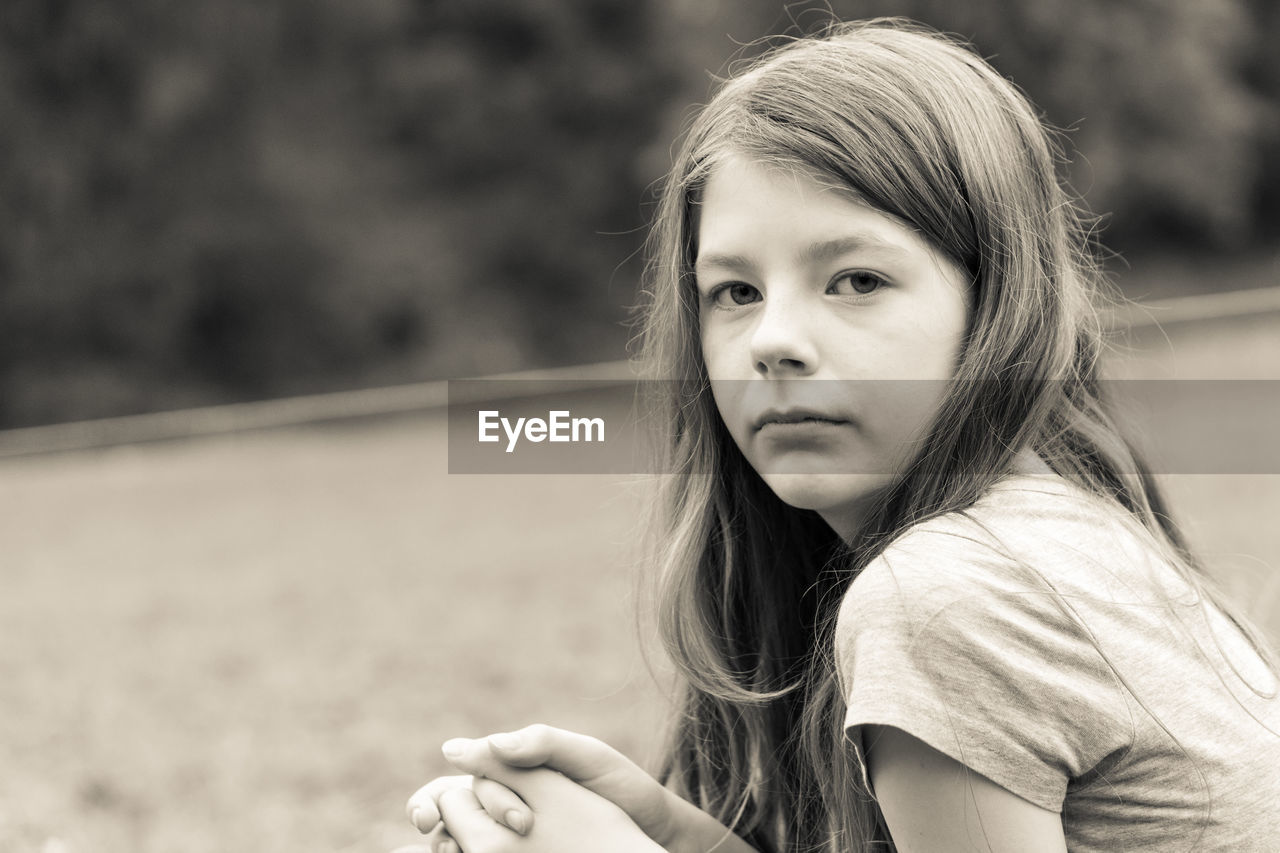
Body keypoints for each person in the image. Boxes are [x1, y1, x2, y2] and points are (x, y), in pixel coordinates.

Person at [399, 18, 1280, 852]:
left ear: (999, 303)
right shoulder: (1061, 530)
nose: (773, 340)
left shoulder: (945, 597)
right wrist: (679, 839)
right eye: (735, 292)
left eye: (856, 280)